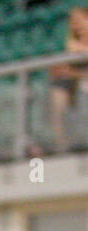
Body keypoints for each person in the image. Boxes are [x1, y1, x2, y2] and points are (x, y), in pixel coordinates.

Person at [49, 7, 88, 155]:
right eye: (73, 22)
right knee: (59, 90)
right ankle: (62, 145)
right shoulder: (73, 46)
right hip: (80, 89)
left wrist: (74, 73)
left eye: (80, 21)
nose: (76, 26)